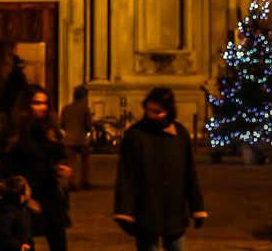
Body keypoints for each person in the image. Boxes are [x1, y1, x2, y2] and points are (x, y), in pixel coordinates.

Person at [113, 86, 206, 251]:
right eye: (150, 110)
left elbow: (189, 173)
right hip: (146, 210)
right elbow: (126, 175)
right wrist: (124, 211)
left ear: (168, 111)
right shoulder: (135, 135)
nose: (152, 115)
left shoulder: (180, 134)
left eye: (158, 112)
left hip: (174, 210)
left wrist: (197, 207)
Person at [1, 85, 71, 251]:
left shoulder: (49, 129)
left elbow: (58, 152)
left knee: (59, 243)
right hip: (24, 198)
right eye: (37, 103)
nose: (43, 107)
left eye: (45, 103)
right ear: (26, 105)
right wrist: (25, 199)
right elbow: (6, 169)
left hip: (49, 195)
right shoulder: (13, 131)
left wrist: (61, 166)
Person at [59, 86, 93, 191]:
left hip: (69, 139)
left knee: (70, 162)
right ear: (82, 97)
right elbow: (88, 125)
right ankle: (84, 182)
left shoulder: (66, 108)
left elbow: (61, 124)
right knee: (85, 161)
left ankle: (70, 183)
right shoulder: (85, 109)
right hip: (81, 139)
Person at [0, 175, 35, 251]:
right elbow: (1, 235)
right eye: (27, 189)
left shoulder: (20, 209)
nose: (30, 189)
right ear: (22, 197)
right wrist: (19, 246)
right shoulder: (8, 213)